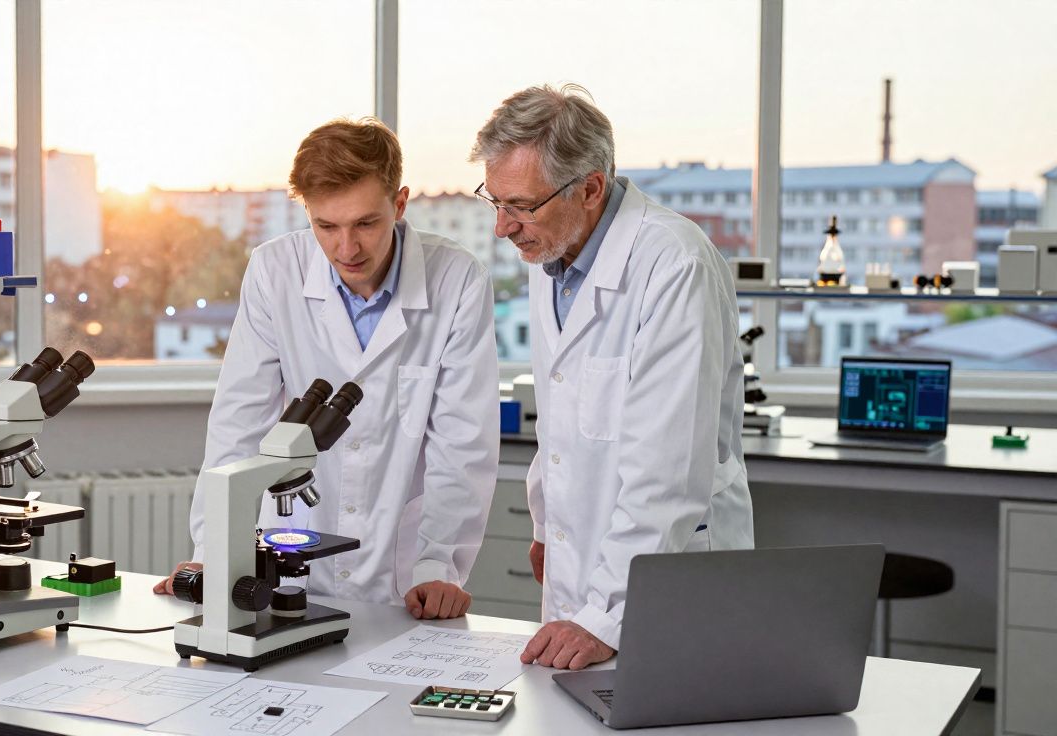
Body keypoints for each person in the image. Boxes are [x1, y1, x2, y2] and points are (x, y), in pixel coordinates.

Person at [155, 118, 499, 620]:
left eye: (366, 223)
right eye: (326, 226)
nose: (346, 249)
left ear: (400, 204)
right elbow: (238, 424)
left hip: (404, 575)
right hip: (289, 554)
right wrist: (214, 553)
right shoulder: (275, 271)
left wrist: (437, 564)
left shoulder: (459, 279)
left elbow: (462, 444)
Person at [468, 85, 754, 669]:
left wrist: (607, 615)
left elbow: (667, 471)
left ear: (591, 188)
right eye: (494, 202)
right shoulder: (553, 252)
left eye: (520, 205)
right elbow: (562, 416)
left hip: (664, 582)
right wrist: (547, 525)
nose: (503, 227)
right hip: (582, 568)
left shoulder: (675, 264)